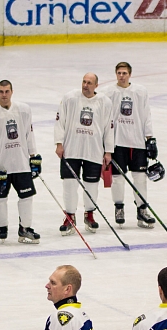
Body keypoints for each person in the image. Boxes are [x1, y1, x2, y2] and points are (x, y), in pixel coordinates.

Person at [0, 80, 41, 244]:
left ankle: (25, 228)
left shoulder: (24, 110)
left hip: (21, 163)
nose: (4, 95)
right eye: (1, 91)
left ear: (12, 92)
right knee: (0, 198)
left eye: (6, 91)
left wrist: (33, 156)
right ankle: (2, 226)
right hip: (1, 164)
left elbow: (29, 134)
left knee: (27, 196)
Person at [54, 74, 113, 234]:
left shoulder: (105, 102)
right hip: (71, 149)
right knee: (69, 184)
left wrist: (108, 151)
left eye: (89, 83)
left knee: (92, 185)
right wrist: (59, 143)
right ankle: (70, 216)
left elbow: (109, 128)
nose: (85, 85)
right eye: (84, 82)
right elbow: (60, 121)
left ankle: (90, 214)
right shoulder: (70, 98)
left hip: (94, 150)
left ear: (96, 85)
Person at [105, 62, 156, 229]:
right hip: (117, 143)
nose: (122, 76)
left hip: (137, 142)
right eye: (119, 73)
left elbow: (146, 114)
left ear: (130, 74)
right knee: (118, 179)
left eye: (124, 73)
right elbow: (105, 119)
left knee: (140, 179)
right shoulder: (109, 92)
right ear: (115, 74)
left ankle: (142, 210)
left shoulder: (140, 91)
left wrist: (150, 138)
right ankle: (119, 208)